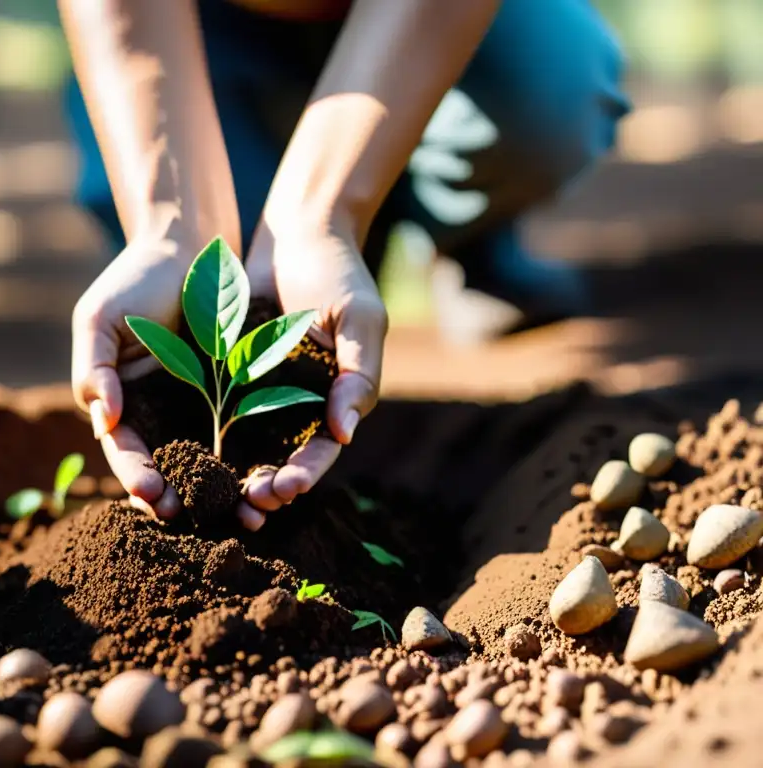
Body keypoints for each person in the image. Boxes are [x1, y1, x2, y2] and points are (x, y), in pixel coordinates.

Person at [57, 0, 630, 530]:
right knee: (222, 255)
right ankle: (344, 232)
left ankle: (465, 236)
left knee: (550, 100)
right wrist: (167, 229)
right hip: (202, 37)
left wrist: (323, 219)